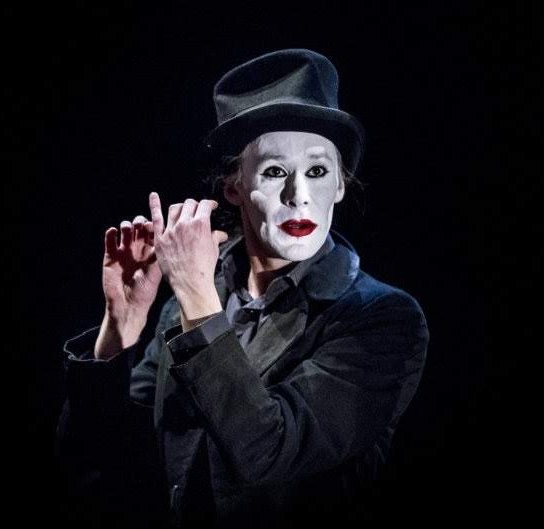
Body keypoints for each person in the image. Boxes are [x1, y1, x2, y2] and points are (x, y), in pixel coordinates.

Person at [55, 48, 430, 528]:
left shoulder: (381, 319)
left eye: (318, 171)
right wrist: (119, 330)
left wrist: (195, 295)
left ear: (340, 184)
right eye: (274, 171)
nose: (299, 196)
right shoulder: (193, 303)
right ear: (233, 187)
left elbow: (266, 453)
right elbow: (102, 461)